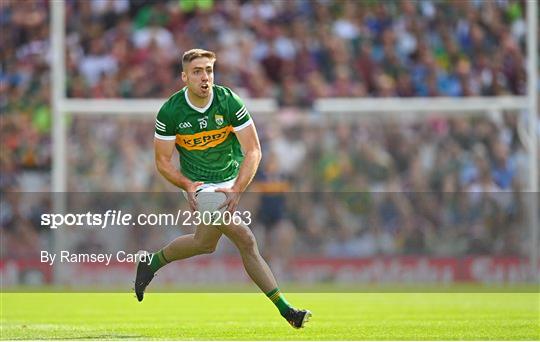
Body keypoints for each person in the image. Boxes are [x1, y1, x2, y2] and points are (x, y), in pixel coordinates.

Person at [134, 48, 311, 329]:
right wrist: (186, 184)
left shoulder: (228, 101)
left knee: (204, 244)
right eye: (197, 71)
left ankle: (151, 263)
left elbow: (253, 150)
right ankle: (286, 310)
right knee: (246, 239)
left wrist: (238, 187)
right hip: (200, 185)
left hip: (229, 180)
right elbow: (162, 161)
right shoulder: (170, 111)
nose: (205, 77)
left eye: (209, 70)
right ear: (184, 77)